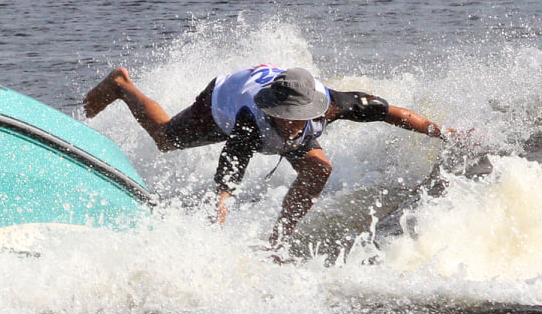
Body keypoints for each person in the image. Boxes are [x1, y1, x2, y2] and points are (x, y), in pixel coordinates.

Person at [84, 64, 450, 242]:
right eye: (283, 119)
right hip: (223, 99)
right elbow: (226, 182)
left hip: (277, 88)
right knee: (165, 139)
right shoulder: (247, 122)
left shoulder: (335, 105)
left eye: (296, 120)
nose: (289, 125)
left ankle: (278, 241)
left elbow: (396, 114)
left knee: (319, 167)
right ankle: (121, 85)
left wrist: (448, 135)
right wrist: (217, 230)